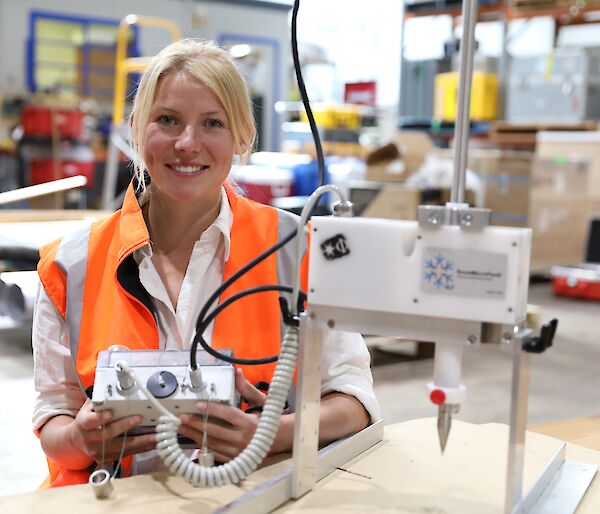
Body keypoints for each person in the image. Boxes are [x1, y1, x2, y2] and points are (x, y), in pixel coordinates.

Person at [32, 39, 380, 488]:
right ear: (137, 127)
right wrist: (80, 437)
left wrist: (269, 433)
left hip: (250, 496)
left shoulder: (298, 249)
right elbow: (52, 422)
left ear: (241, 138)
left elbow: (354, 399)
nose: (187, 143)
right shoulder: (70, 266)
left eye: (212, 123)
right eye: (168, 120)